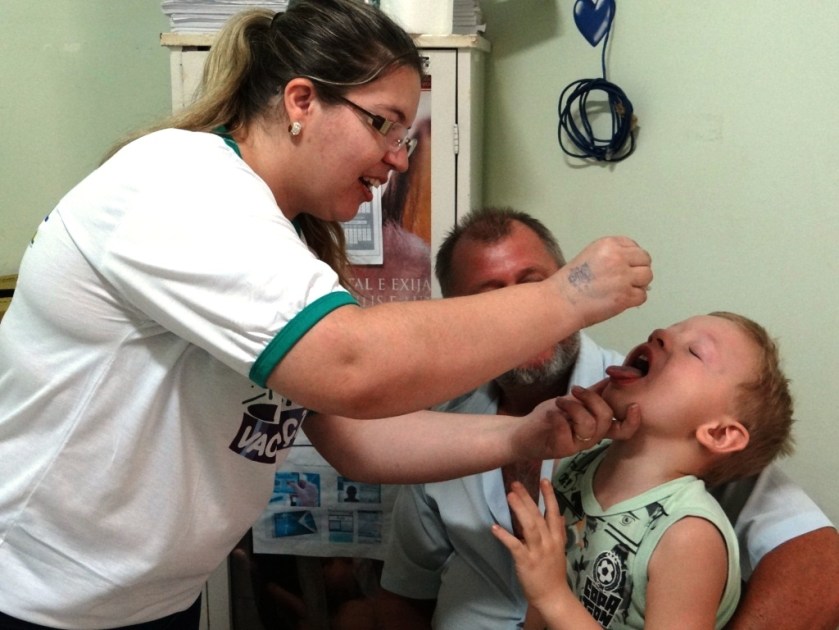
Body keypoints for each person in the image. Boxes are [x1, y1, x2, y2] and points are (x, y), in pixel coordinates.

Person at [0, 4, 653, 629]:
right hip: (36, 593)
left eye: (405, 134)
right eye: (384, 124)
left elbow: (353, 434)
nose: (399, 157)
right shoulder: (178, 183)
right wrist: (564, 296)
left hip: (145, 596)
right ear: (301, 101)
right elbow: (352, 366)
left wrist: (521, 438)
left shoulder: (277, 238)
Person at [377, 207, 839, 630]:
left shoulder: (665, 428)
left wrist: (553, 597)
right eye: (491, 298)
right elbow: (406, 591)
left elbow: (819, 560)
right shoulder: (442, 428)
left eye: (533, 285)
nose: (519, 312)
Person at [493, 311, 793, 629]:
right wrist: (545, 596)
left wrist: (551, 595)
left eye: (695, 351)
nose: (660, 333)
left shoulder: (688, 536)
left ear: (719, 434)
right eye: (672, 328)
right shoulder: (575, 467)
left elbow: (549, 597)